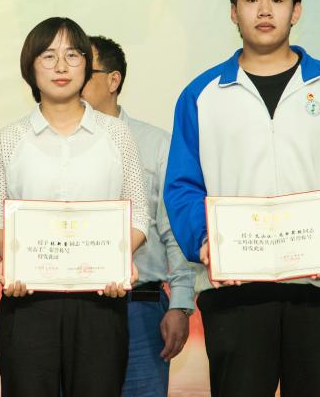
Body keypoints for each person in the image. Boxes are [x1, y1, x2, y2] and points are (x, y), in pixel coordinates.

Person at [164, 0, 320, 397]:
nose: (264, 10)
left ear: (296, 11)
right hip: (234, 286)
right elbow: (183, 186)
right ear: (233, 11)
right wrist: (204, 240)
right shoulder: (201, 94)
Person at [0, 17, 150, 397]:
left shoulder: (116, 134)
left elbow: (139, 214)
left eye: (73, 55)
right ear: (30, 67)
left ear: (87, 66)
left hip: (100, 300)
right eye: (48, 56)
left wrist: (116, 259)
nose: (61, 66)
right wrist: (14, 261)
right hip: (27, 301)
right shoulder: (9, 139)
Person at [81, 35, 194, 397]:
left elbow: (175, 228)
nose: (70, 77)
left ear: (113, 80)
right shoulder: (51, 147)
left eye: (84, 71)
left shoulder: (155, 143)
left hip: (140, 309)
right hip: (73, 307)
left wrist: (180, 304)